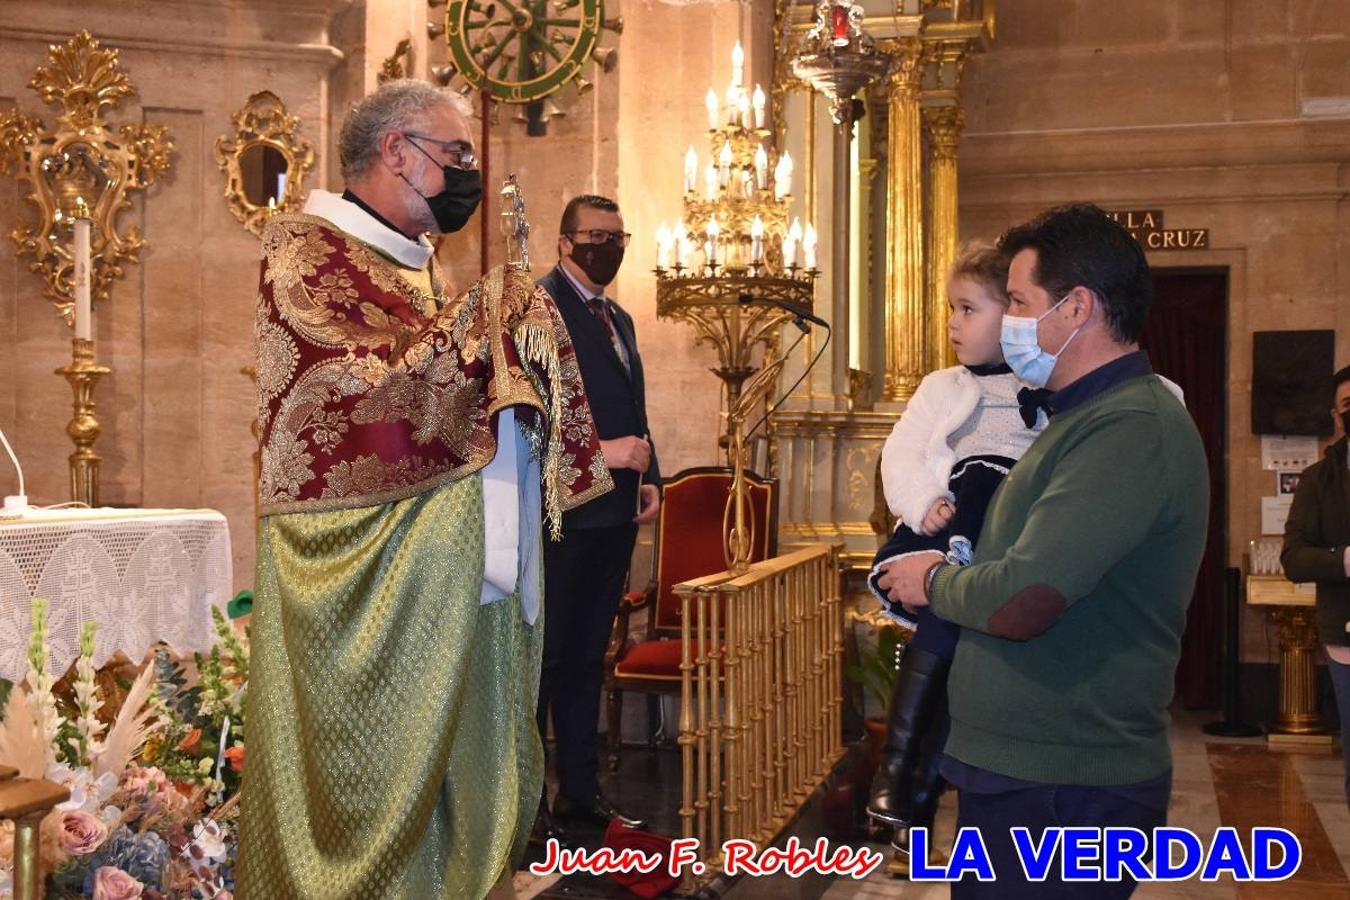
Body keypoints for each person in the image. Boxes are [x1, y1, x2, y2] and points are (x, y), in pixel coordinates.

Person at [237, 80, 612, 900]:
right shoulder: (307, 251)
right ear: (395, 151)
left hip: (441, 560)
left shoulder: (417, 267)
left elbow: (442, 386)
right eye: (456, 156)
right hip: (357, 563)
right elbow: (355, 392)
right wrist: (489, 315)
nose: (468, 175)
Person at [877, 202, 1207, 899]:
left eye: (1021, 302)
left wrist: (933, 579)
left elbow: (1027, 597)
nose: (1011, 322)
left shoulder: (1129, 430)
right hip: (1027, 774)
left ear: (1076, 307)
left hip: (1065, 788)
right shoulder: (1079, 418)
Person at [865, 243, 1047, 864]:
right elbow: (903, 452)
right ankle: (901, 772)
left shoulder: (1046, 384)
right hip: (943, 535)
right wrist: (922, 505)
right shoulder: (942, 386)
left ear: (1015, 314)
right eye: (951, 308)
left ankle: (911, 786)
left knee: (958, 689)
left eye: (969, 309)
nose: (951, 323)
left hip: (1006, 547)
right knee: (971, 476)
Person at [534, 194, 660, 838]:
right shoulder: (537, 311)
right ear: (563, 244)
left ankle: (581, 792)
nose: (606, 247)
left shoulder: (621, 320)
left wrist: (650, 476)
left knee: (588, 658)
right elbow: (522, 421)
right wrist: (604, 455)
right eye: (594, 236)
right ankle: (530, 804)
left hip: (613, 514)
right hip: (561, 516)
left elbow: (633, 408)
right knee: (546, 661)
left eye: (617, 236)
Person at [1281, 364, 1350, 809]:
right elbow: (1294, 557)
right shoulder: (1319, 479)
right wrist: (1343, 560)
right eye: (1349, 405)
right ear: (1336, 413)